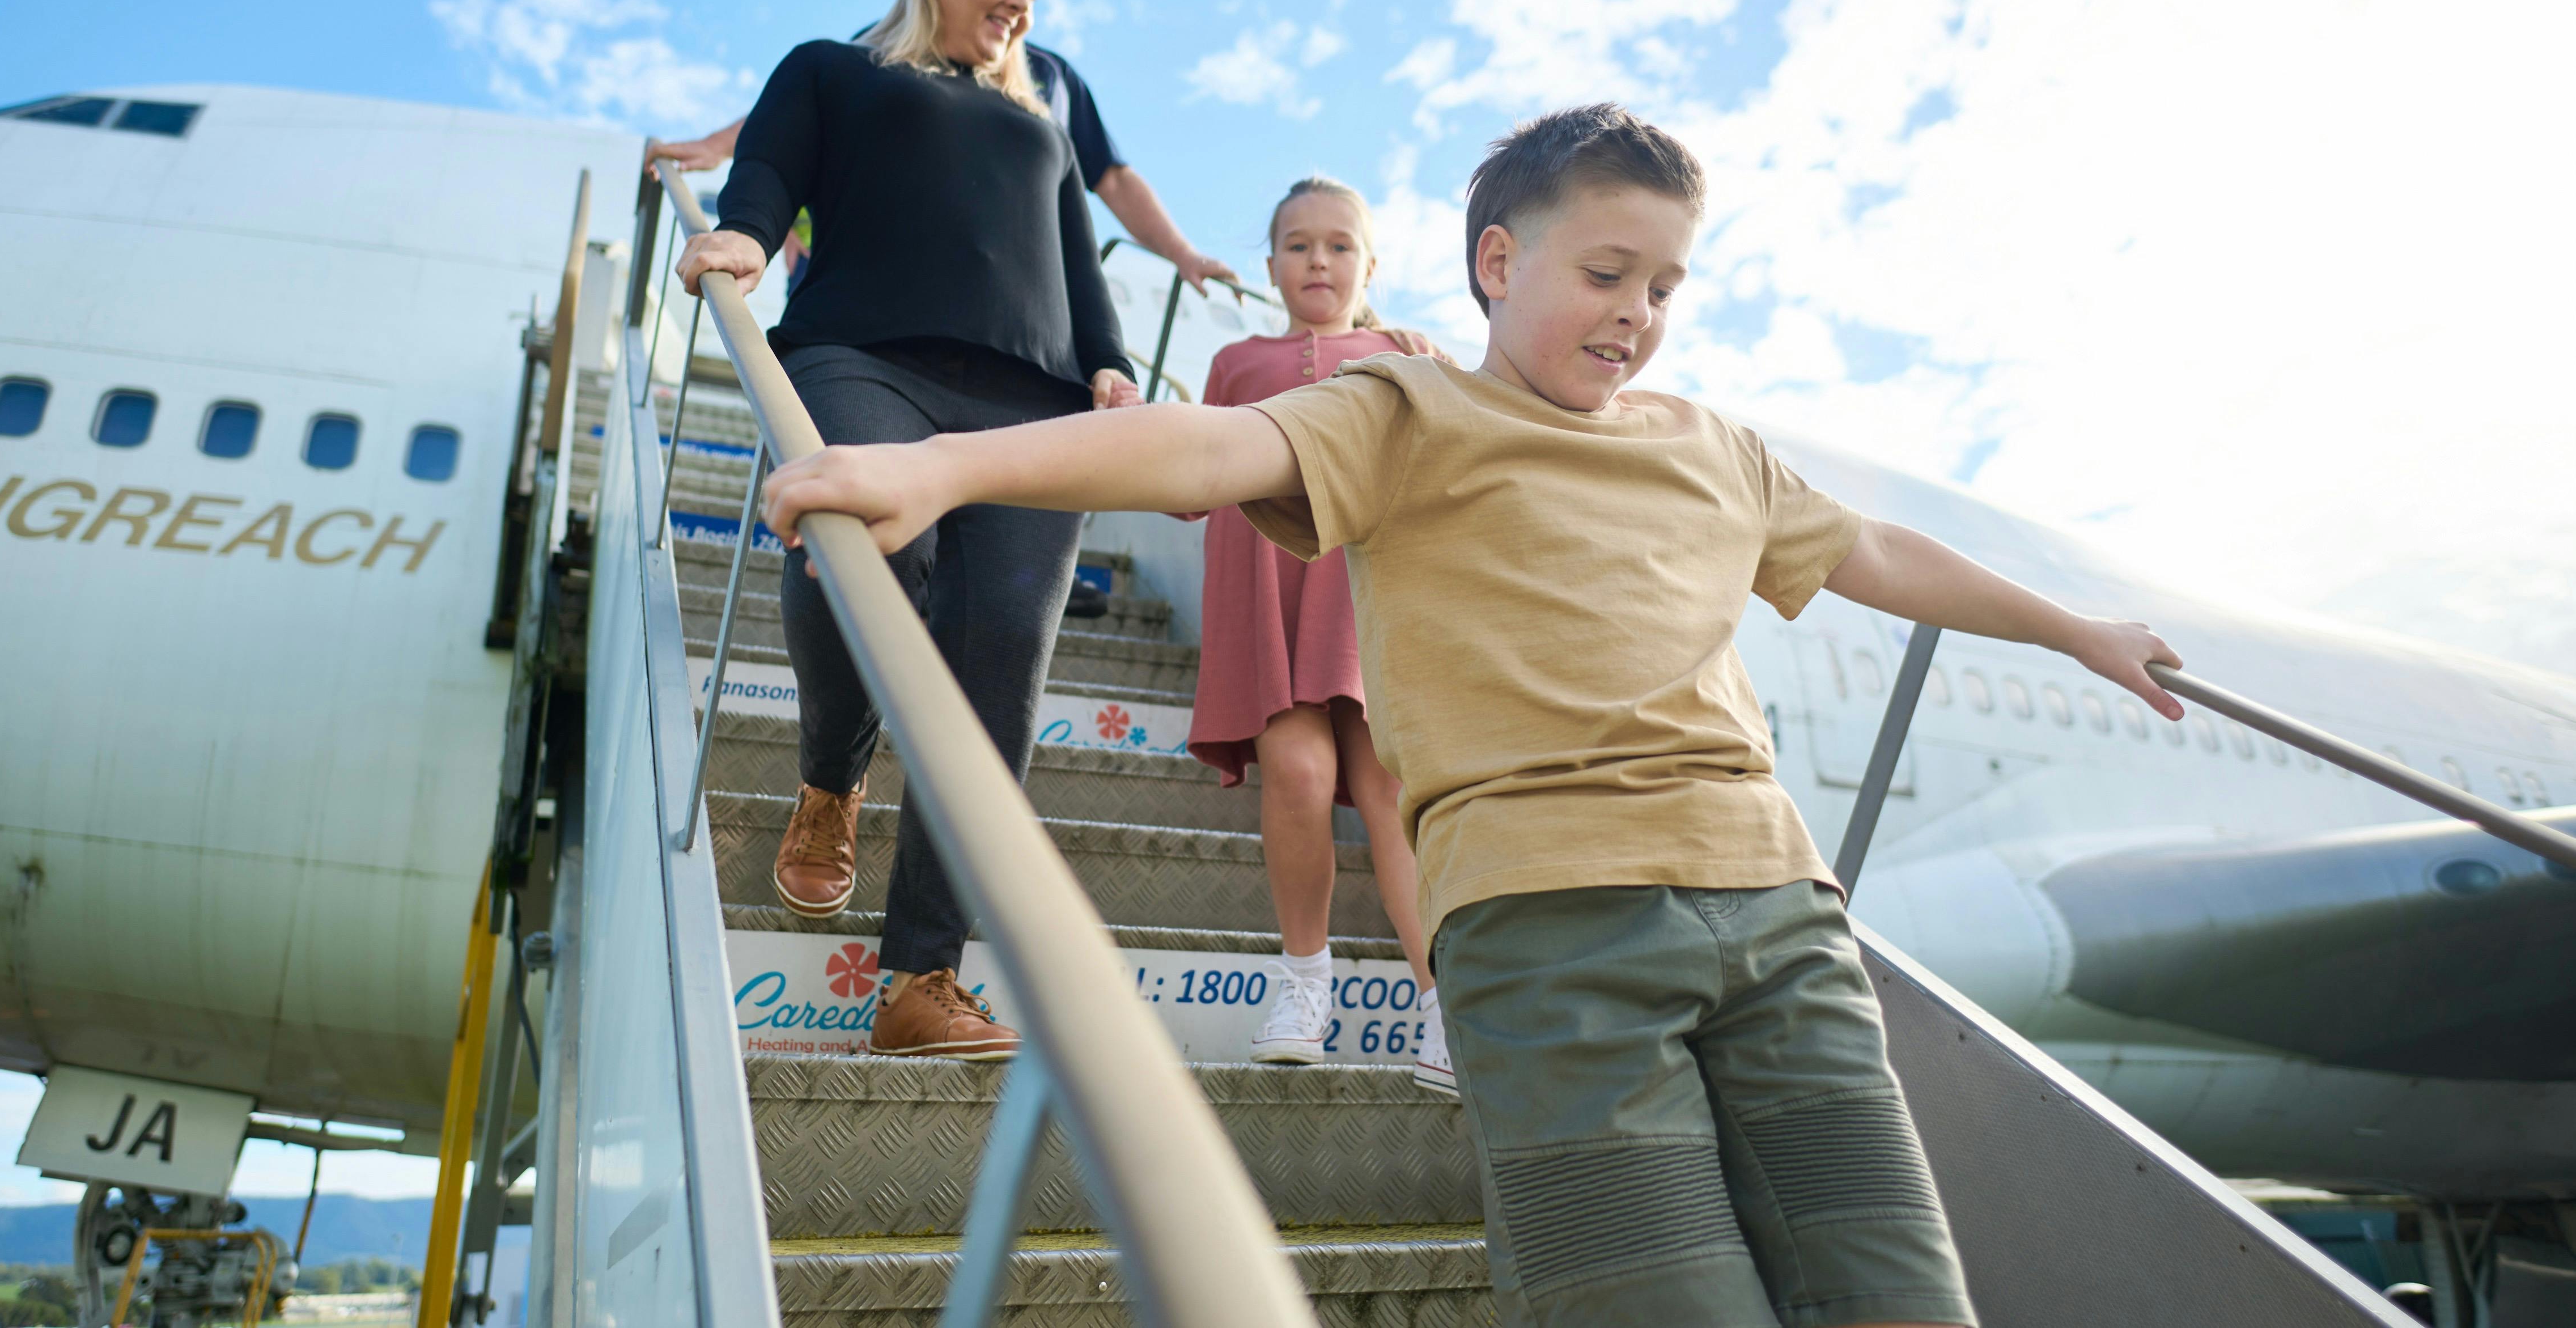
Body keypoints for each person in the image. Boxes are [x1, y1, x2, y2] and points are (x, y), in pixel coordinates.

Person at [756, 102, 2189, 1327]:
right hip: (1549, 931)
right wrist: (948, 470)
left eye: (1667, 288)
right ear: (1499, 263)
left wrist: (2078, 630)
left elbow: (1877, 552)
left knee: (1900, 1294)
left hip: (1783, 921)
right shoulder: (1406, 413)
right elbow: (1202, 449)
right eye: (1608, 272)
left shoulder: (1714, 447)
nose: (1637, 315)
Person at [673, 0, 1146, 1063]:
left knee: (999, 674)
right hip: (862, 355)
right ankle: (833, 776)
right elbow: (772, 173)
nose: (1018, 1)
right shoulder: (833, 70)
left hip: (1028, 403)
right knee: (864, 535)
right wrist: (743, 232)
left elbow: (1072, 247)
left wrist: (1111, 362)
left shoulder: (1039, 109)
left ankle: (920, 980)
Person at [1183, 176, 1453, 1092]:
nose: (1318, 261)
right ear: (1269, 265)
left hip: (1364, 594)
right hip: (1268, 594)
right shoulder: (1233, 364)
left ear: (1369, 266)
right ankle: (1304, 980)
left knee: (1384, 787)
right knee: (1297, 773)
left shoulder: (1402, 356)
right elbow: (1198, 476)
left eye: (1339, 246)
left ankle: (1440, 1000)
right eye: (1298, 245)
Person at [651, 30, 1242, 302]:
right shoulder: (887, 49)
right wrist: (717, 146)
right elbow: (797, 118)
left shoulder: (1053, 79)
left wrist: (1183, 254)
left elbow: (1111, 175)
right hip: (864, 289)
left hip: (1015, 307)